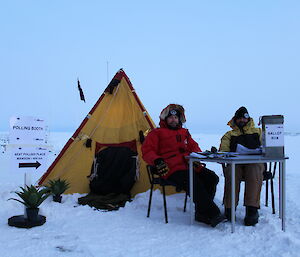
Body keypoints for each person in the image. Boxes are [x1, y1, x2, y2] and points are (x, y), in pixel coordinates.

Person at [142, 104, 224, 227]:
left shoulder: (185, 132)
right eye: (170, 117)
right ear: (165, 119)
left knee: (212, 178)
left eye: (176, 117)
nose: (173, 120)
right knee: (193, 181)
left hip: (189, 165)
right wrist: (157, 160)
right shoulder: (156, 133)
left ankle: (201, 213)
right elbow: (147, 151)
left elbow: (194, 147)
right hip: (170, 168)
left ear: (180, 119)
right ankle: (213, 213)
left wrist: (198, 155)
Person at [219, 106, 264, 226]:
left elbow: (268, 148)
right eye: (239, 119)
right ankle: (229, 209)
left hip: (254, 165)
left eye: (245, 118)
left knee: (254, 170)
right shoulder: (229, 135)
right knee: (232, 171)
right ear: (235, 120)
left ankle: (252, 210)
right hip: (236, 164)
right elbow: (223, 151)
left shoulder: (258, 132)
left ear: (248, 119)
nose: (242, 121)